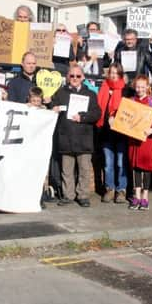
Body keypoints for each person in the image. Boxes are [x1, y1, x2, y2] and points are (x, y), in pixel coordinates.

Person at [51, 66, 101, 207]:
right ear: (68, 77)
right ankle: (68, 195)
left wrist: (83, 117)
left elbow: (97, 113)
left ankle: (83, 195)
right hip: (66, 136)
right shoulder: (60, 93)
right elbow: (53, 106)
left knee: (84, 169)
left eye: (78, 76)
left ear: (83, 78)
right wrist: (53, 107)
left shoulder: (91, 94)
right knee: (66, 170)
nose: (74, 78)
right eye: (72, 76)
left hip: (84, 137)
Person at [128, 75, 152, 210]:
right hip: (134, 138)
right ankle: (136, 195)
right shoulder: (131, 101)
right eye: (137, 87)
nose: (139, 89)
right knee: (135, 166)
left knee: (146, 166)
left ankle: (145, 197)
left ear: (147, 87)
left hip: (148, 139)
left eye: (142, 87)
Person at [96, 63, 128, 203]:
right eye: (111, 72)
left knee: (121, 163)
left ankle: (121, 190)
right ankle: (109, 188)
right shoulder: (103, 87)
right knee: (108, 164)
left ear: (120, 74)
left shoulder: (126, 90)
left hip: (121, 132)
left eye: (116, 73)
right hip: (106, 131)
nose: (113, 75)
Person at [113, 29, 152, 94]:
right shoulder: (119, 52)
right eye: (127, 39)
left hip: (140, 86)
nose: (129, 41)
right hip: (124, 86)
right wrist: (121, 75)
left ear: (136, 39)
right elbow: (115, 69)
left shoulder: (143, 51)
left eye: (131, 39)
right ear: (124, 40)